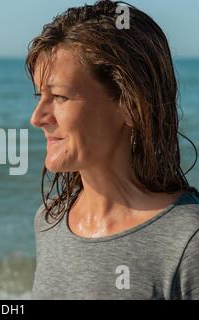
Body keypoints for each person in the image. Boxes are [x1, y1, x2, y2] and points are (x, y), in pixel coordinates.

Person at [27, 0, 199, 299]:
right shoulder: (49, 222)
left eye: (59, 96)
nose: (37, 117)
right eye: (39, 95)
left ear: (130, 105)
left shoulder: (188, 240)